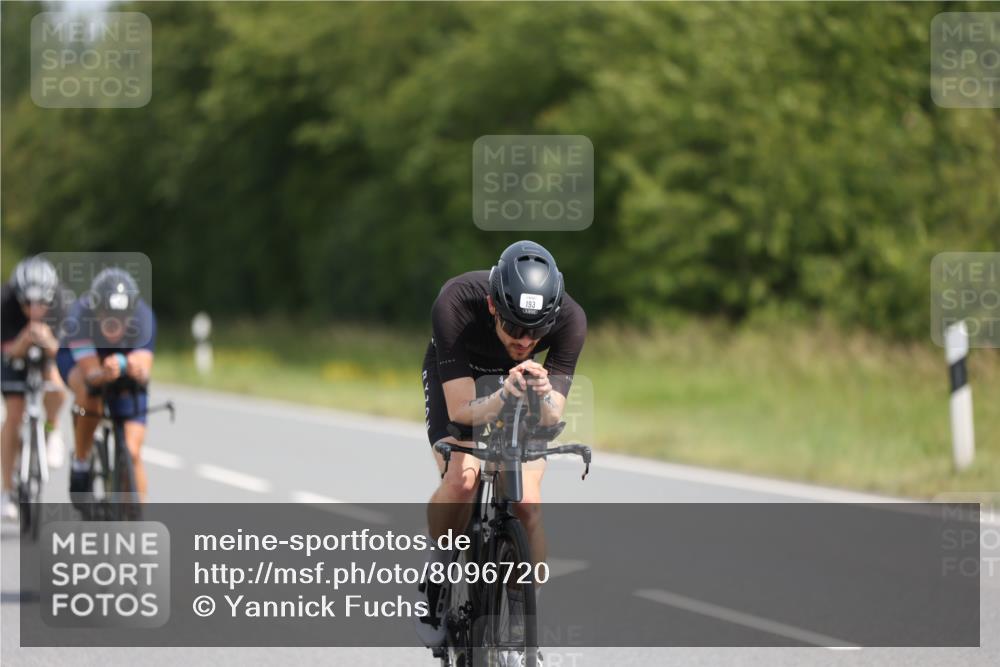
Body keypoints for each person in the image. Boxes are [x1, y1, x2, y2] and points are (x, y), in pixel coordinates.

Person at [417, 240, 587, 648]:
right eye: (513, 327)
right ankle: (437, 577)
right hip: (466, 381)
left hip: (524, 385)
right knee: (462, 479)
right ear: (493, 306)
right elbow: (460, 410)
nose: (525, 341)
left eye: (536, 331)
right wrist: (501, 397)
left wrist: (544, 394)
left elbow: (552, 417)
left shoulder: (571, 320)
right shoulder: (456, 302)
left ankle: (522, 614)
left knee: (527, 500)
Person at [58, 267, 156, 504]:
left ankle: (135, 519)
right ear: (96, 310)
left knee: (132, 451)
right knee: (89, 392)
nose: (115, 322)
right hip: (79, 360)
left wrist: (131, 367)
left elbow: (143, 369)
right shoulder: (79, 317)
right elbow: (91, 373)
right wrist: (104, 372)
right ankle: (81, 461)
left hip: (119, 362)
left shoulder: (143, 316)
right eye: (108, 315)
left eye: (122, 317)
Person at [1, 256, 67, 521]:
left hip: (47, 352)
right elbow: (9, 354)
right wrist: (24, 339)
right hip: (13, 354)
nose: (34, 309)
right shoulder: (5, 304)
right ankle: (7, 489)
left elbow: (65, 354)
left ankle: (52, 429)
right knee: (14, 413)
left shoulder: (62, 303)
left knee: (57, 388)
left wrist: (49, 341)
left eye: (41, 303)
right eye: (27, 303)